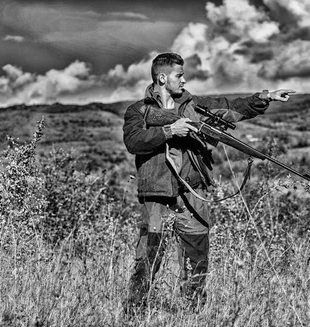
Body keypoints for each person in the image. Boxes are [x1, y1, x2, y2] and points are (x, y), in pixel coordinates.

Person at [122, 52, 294, 313]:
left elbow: (230, 106)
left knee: (197, 261)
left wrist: (264, 97)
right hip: (157, 195)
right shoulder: (138, 110)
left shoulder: (195, 105)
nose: (184, 79)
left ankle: (193, 315)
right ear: (162, 77)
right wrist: (169, 131)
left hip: (193, 193)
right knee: (148, 258)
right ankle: (133, 314)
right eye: (179, 75)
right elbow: (134, 141)